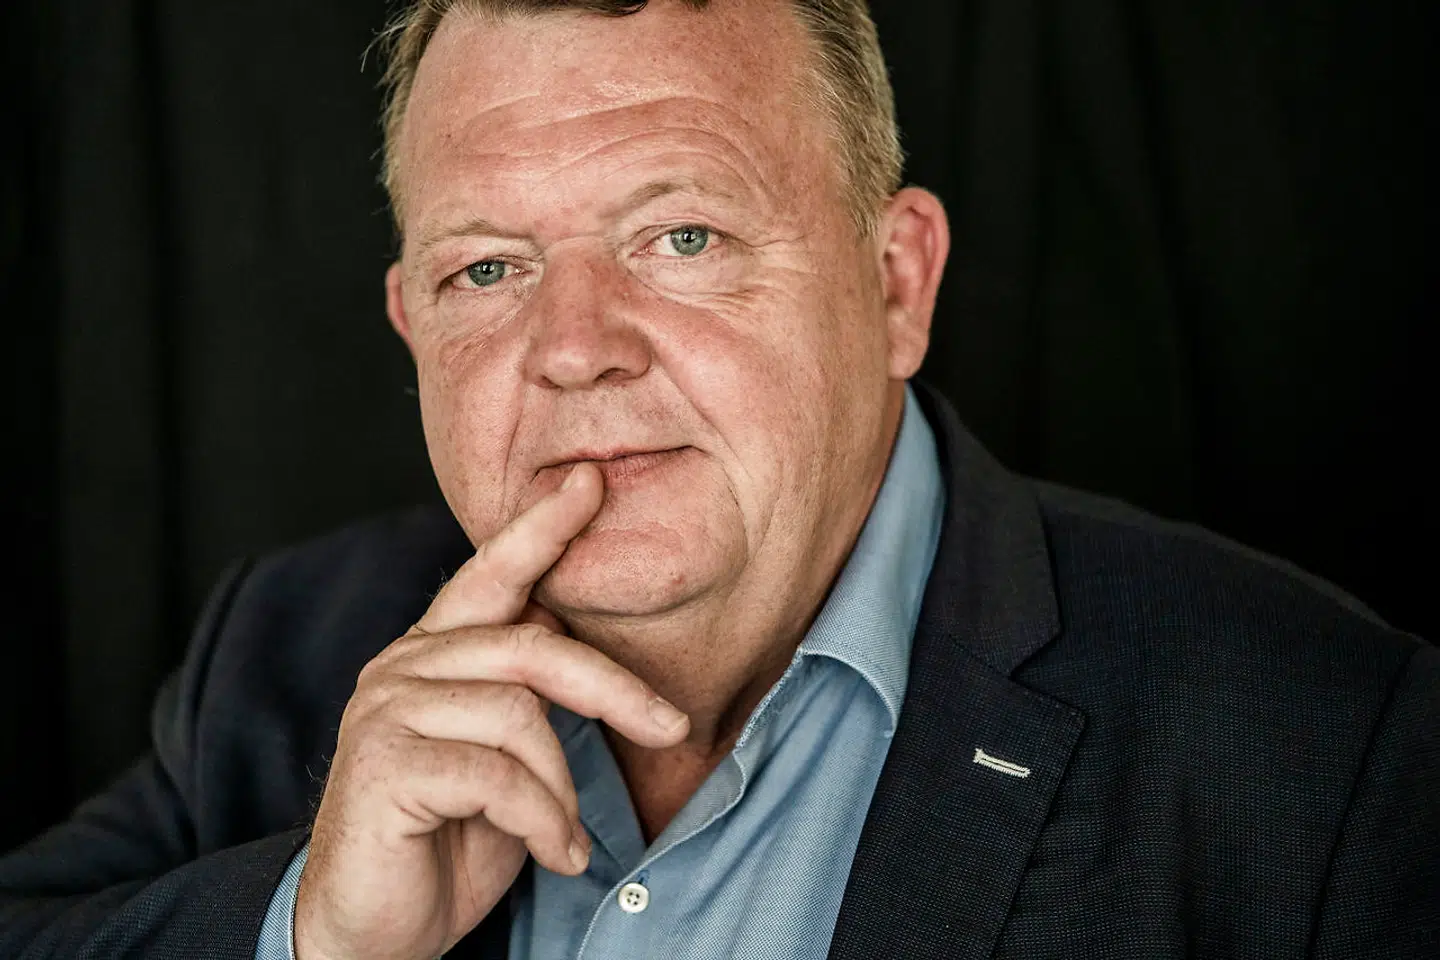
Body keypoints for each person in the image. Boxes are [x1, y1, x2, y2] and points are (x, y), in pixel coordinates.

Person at [2, 0, 1435, 957]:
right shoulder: (283, 647)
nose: (574, 349)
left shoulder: (1327, 745)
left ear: (896, 284)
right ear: (410, 328)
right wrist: (312, 939)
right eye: (487, 269)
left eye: (680, 237)